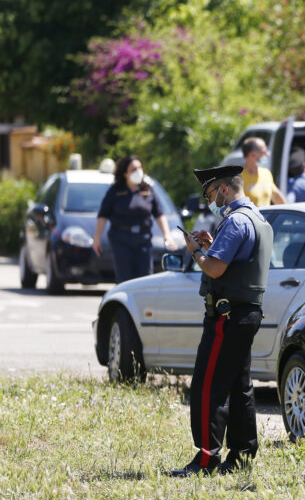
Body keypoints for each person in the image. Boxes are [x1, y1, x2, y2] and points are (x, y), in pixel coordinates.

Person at [170, 164, 274, 477]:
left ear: (224, 189)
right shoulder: (257, 218)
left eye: (211, 194)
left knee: (208, 386)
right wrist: (211, 243)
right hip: (247, 312)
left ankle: (206, 459)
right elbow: (238, 261)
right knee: (240, 387)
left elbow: (215, 269)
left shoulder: (236, 220)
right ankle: (241, 456)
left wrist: (195, 251)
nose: (210, 201)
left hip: (227, 316)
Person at [93, 155, 177, 283]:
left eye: (139, 168)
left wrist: (167, 235)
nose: (138, 172)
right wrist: (97, 238)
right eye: (133, 169)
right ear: (125, 174)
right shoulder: (115, 191)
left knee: (145, 277)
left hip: (143, 238)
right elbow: (103, 216)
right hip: (121, 238)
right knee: (124, 277)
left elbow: (159, 214)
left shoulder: (147, 189)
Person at [240, 137, 285, 207]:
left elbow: (276, 196)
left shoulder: (266, 173)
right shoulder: (239, 179)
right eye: (264, 152)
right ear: (252, 155)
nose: (267, 155)